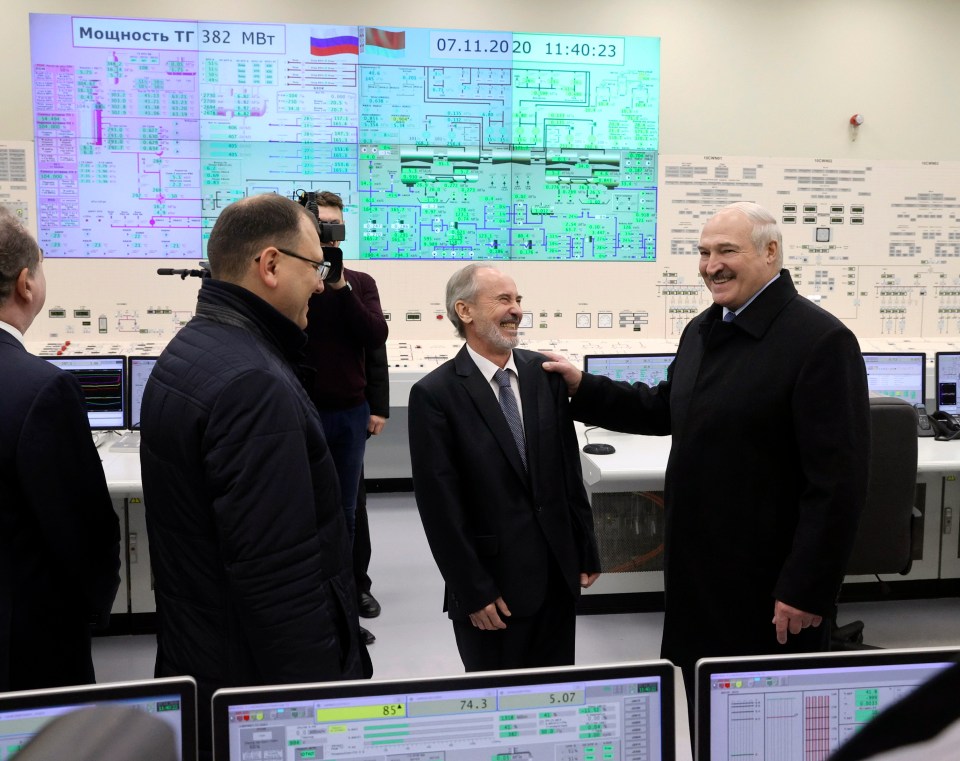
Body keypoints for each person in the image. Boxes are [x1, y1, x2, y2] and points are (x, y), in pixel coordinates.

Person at [543, 201, 870, 703]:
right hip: (698, 572)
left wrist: (807, 588)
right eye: (702, 252)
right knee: (697, 702)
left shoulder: (820, 341)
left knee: (762, 718)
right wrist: (583, 387)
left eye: (726, 251)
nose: (710, 264)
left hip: (768, 585)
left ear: (770, 252)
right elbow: (664, 408)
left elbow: (838, 486)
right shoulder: (704, 327)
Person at [139, 194, 366, 756]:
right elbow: (280, 580)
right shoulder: (253, 384)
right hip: (256, 685)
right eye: (316, 267)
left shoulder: (193, 348)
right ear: (269, 265)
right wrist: (319, 711)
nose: (321, 284)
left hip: (202, 652)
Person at [409, 263, 601, 671]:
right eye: (503, 300)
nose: (516, 310)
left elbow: (568, 468)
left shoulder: (543, 376)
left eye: (518, 300)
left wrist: (584, 547)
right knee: (499, 707)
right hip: (492, 591)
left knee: (555, 696)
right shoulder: (435, 395)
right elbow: (440, 508)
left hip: (555, 577)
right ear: (464, 311)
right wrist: (471, 591)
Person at [0, 208, 120, 691]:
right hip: (25, 645)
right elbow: (82, 529)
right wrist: (96, 606)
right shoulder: (40, 391)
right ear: (26, 283)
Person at [299, 190, 389, 645]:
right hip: (301, 411)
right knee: (306, 510)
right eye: (322, 227)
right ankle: (316, 602)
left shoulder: (360, 282)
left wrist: (378, 406)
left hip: (349, 413)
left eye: (336, 227)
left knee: (349, 511)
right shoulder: (295, 283)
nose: (330, 236)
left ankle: (351, 593)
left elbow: (375, 338)